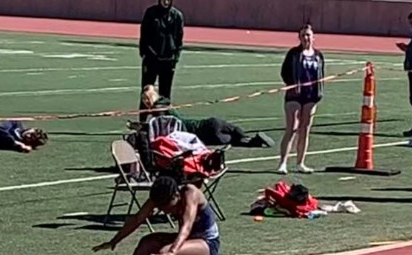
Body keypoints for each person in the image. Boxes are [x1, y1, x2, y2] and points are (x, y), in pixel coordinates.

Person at [140, 84, 274, 147]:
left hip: (203, 134)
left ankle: (253, 141)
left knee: (232, 141)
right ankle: (252, 139)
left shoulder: (158, 111)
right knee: (234, 131)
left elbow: (158, 127)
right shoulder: (166, 103)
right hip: (210, 122)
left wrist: (140, 127)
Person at [278, 24, 325, 175]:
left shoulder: (318, 55)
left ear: (313, 37)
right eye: (303, 35)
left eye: (308, 35)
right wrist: (293, 84)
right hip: (294, 95)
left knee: (305, 129)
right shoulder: (293, 53)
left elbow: (320, 74)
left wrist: (319, 92)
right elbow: (284, 72)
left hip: (311, 96)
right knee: (292, 128)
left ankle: (300, 163)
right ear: (299, 37)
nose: (306, 38)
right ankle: (283, 163)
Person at [139, 0, 184, 120]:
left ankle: (164, 121)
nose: (165, 1)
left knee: (165, 94)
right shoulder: (151, 13)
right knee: (147, 91)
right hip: (151, 60)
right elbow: (144, 35)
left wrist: (175, 58)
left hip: (168, 61)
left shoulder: (177, 15)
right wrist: (145, 53)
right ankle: (143, 121)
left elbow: (179, 38)